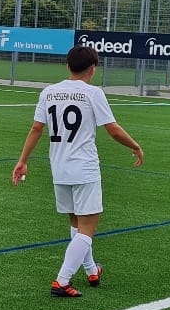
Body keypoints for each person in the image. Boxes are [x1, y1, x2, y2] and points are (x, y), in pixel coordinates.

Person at [12, 45, 143, 297]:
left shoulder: (49, 92)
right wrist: (135, 146)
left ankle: (92, 270)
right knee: (88, 228)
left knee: (76, 223)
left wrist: (23, 160)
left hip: (59, 168)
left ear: (67, 66)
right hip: (84, 168)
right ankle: (62, 281)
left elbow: (37, 128)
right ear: (93, 69)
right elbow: (113, 129)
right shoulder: (93, 93)